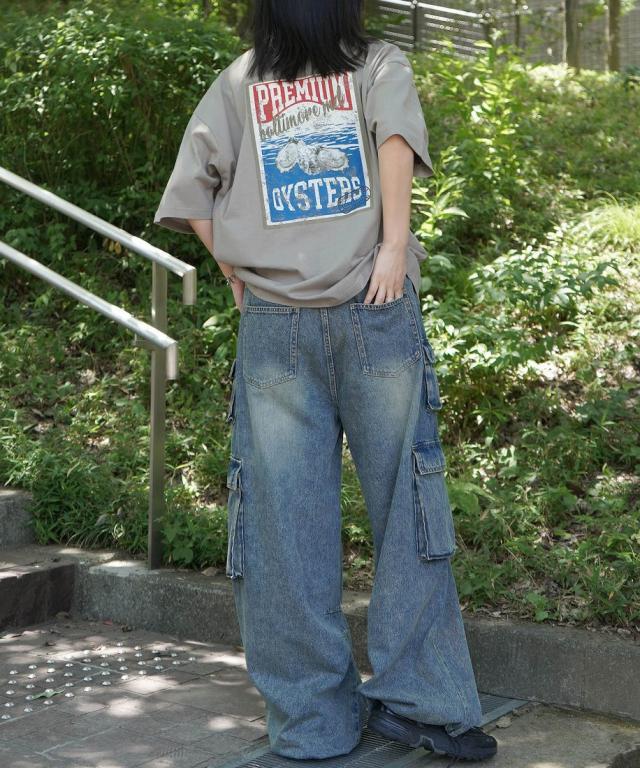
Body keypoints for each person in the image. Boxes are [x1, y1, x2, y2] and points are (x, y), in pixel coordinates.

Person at [153, 0, 498, 762]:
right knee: (406, 504)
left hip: (275, 322)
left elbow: (193, 187)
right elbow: (395, 140)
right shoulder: (376, 66)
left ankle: (312, 723)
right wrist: (392, 248)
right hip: (374, 306)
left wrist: (233, 268)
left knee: (282, 526)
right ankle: (421, 703)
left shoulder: (241, 81)